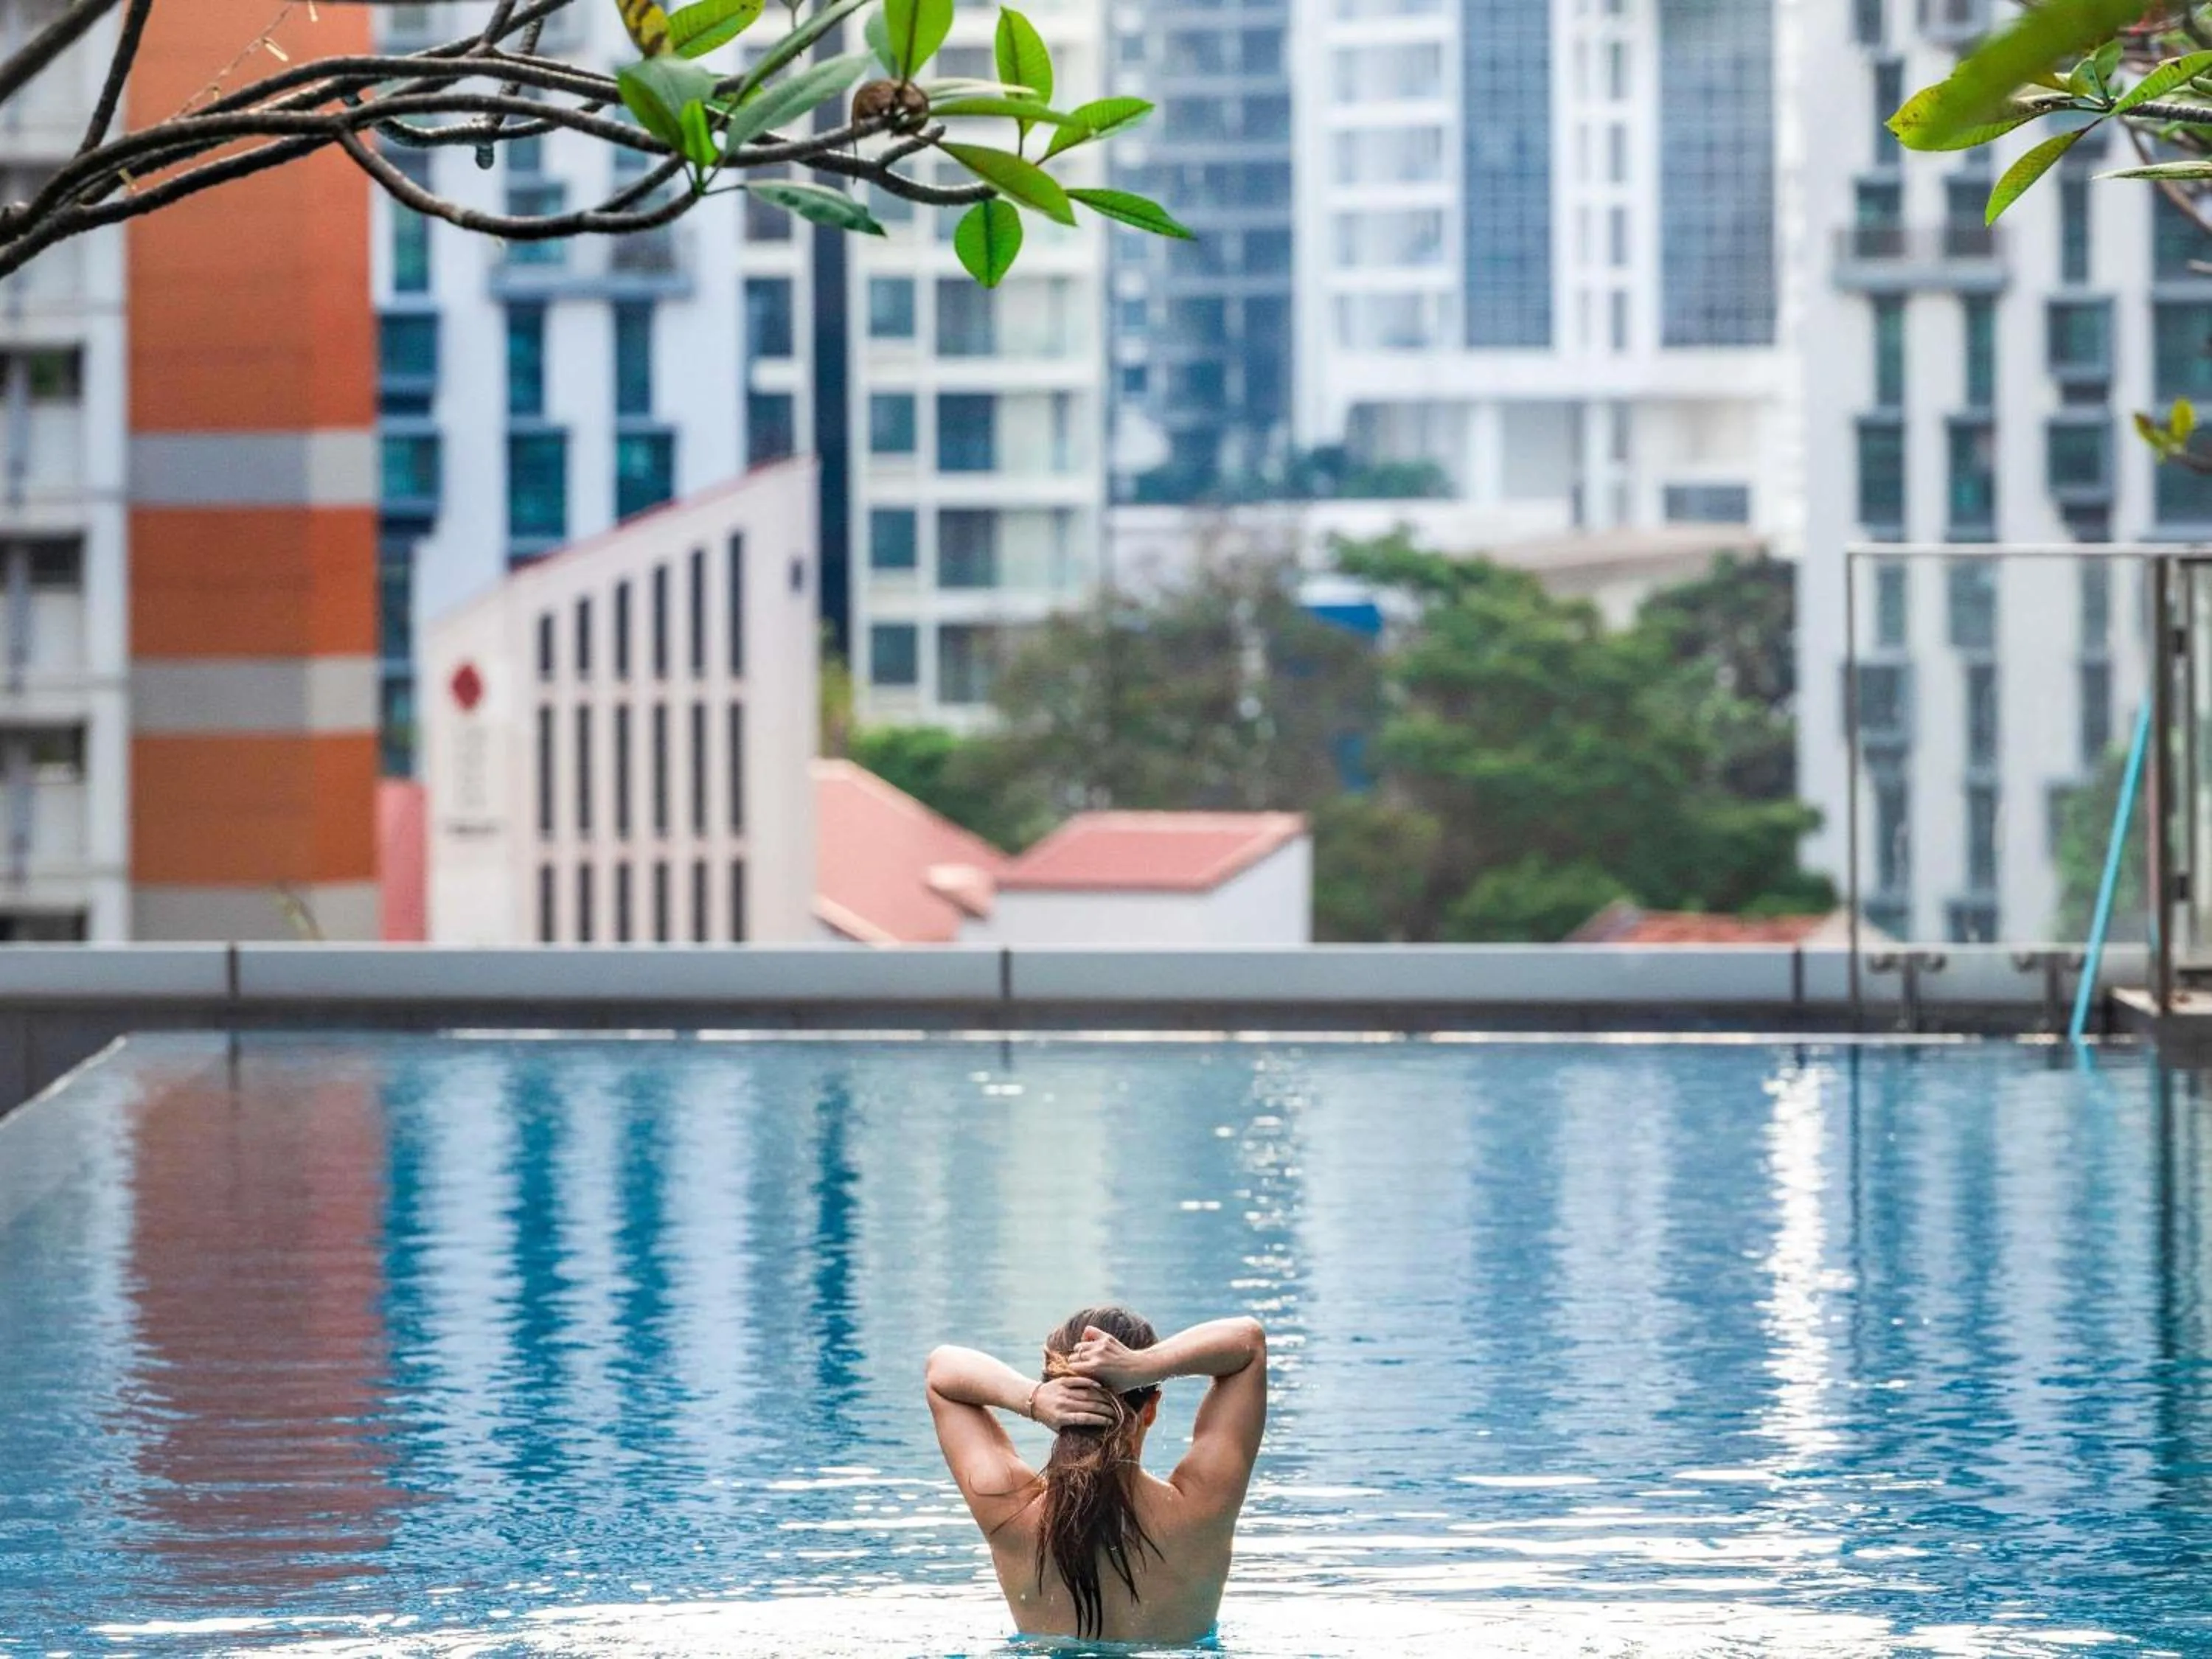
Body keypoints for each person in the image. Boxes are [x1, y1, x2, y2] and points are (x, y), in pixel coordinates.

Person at [925, 1309, 1267, 1644]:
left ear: (1056, 1400)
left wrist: (1033, 1399)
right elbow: (1248, 1344)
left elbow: (942, 1370)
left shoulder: (1011, 1513)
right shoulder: (1202, 1507)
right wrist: (1142, 1367)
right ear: (1151, 1407)